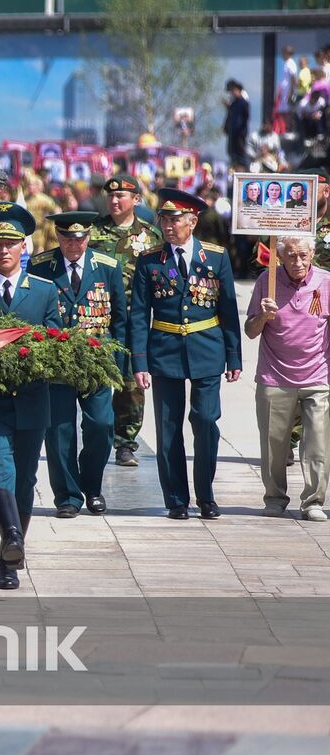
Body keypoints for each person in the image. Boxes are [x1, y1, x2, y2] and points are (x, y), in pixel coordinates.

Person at [0, 203, 61, 590]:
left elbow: (55, 341)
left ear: (25, 246)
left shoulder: (44, 291)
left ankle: (10, 553)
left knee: (25, 478)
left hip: (33, 399)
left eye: (12, 244)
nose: (4, 251)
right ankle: (13, 541)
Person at [130, 188, 242, 521]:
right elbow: (139, 313)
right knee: (167, 429)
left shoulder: (216, 257)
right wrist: (140, 362)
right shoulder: (150, 260)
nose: (168, 226)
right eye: (164, 219)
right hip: (164, 351)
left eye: (175, 220)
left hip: (207, 347)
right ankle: (176, 498)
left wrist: (234, 357)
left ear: (192, 222)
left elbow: (228, 309)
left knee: (206, 421)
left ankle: (205, 495)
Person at [29, 212, 126, 517]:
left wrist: (120, 365)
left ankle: (93, 486)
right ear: (57, 237)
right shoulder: (42, 267)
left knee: (102, 424)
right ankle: (68, 496)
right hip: (56, 362)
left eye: (80, 238)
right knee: (59, 432)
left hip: (96, 362)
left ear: (89, 237)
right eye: (68, 238)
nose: (74, 244)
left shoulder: (108, 267)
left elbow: (120, 319)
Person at [245, 237, 330, 522]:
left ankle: (313, 501)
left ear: (313, 254)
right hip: (275, 375)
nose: (298, 262)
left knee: (318, 443)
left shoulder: (326, 282)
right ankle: (274, 497)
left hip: (317, 376)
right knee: (274, 444)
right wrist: (264, 317)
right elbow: (250, 330)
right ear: (279, 257)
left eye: (303, 255)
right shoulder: (265, 282)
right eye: (291, 256)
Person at [89, 174, 162, 468]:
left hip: (135, 317)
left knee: (131, 380)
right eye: (111, 196)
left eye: (122, 196)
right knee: (96, 378)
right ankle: (96, 435)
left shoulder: (150, 235)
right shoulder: (93, 232)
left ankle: (126, 442)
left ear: (136, 200)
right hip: (98, 315)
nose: (115, 201)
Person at [224, 79, 251, 167]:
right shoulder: (233, 104)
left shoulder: (243, 102)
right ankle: (235, 166)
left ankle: (243, 168)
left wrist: (241, 129)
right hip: (232, 133)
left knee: (240, 153)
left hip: (240, 133)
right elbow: (230, 117)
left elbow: (245, 117)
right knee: (232, 151)